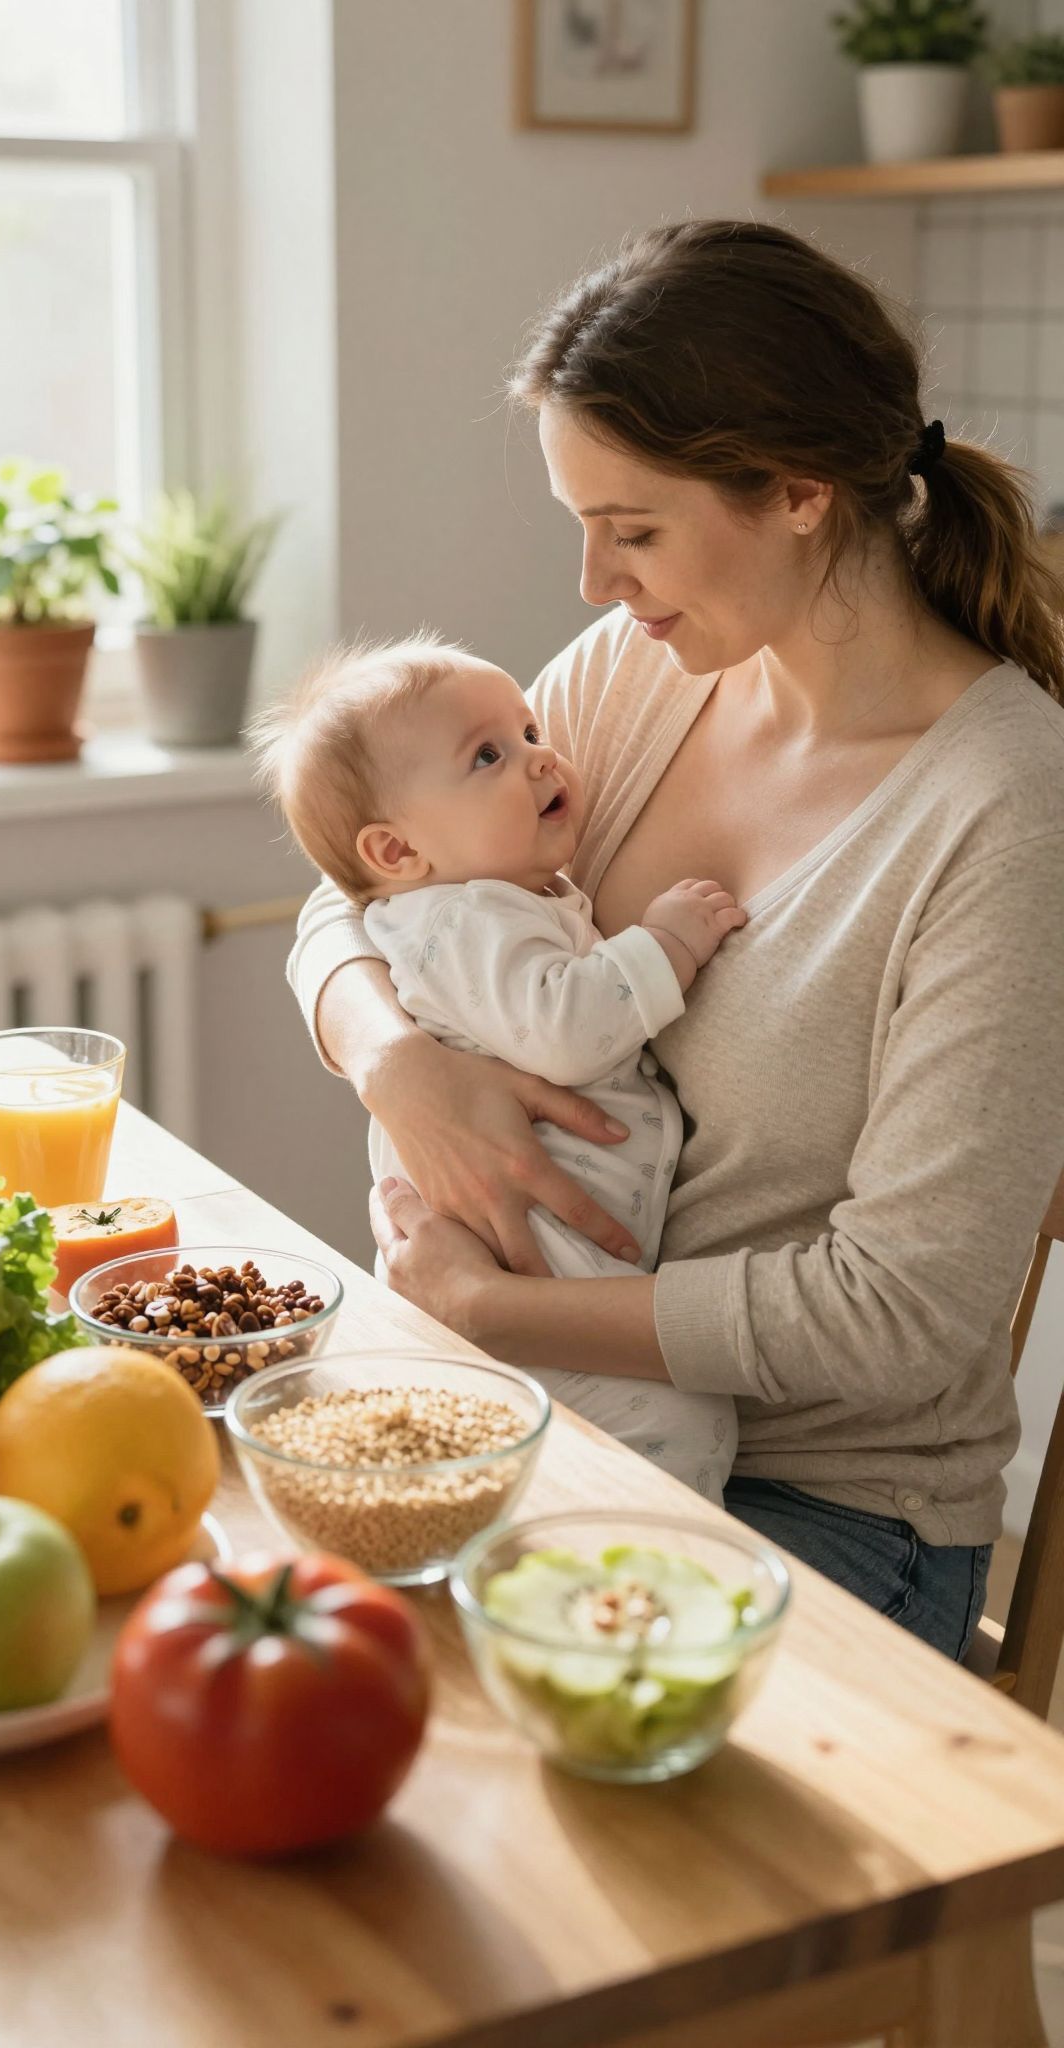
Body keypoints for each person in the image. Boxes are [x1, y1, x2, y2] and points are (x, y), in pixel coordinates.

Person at [289, 219, 1064, 1660]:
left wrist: (493, 1306)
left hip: (825, 1500)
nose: (594, 581)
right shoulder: (642, 674)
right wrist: (394, 1058)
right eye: (581, 525)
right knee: (281, 1597)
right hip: (551, 1413)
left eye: (633, 530)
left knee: (423, 1702)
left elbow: (901, 1313)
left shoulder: (1006, 807)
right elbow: (367, 879)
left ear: (798, 491)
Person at [256, 631, 742, 1494]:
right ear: (396, 854)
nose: (539, 757)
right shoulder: (462, 919)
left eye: (528, 731)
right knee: (681, 1422)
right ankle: (632, 1529)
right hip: (536, 1253)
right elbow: (564, 1028)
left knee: (575, 1441)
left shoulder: (484, 895)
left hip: (551, 1262)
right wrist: (666, 944)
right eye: (488, 756)